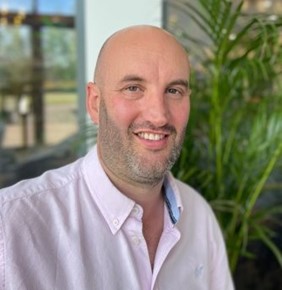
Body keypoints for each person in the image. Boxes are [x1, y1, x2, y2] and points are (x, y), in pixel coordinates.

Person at [0, 25, 234, 290]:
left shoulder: (199, 216)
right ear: (94, 103)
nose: (159, 116)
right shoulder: (10, 231)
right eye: (133, 88)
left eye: (174, 91)